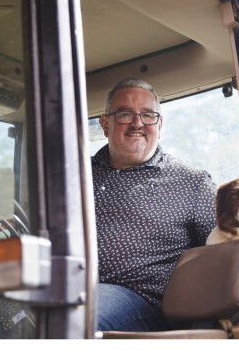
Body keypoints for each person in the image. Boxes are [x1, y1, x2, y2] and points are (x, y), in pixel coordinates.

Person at [92, 78, 217, 332]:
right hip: (61, 287)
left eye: (148, 115)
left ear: (159, 125)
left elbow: (230, 242)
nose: (138, 123)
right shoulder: (73, 176)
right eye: (125, 114)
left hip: (140, 302)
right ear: (105, 124)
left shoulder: (191, 182)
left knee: (70, 316)